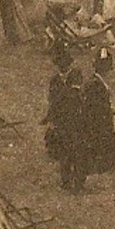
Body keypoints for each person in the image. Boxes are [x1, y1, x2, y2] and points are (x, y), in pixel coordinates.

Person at [44, 63, 86, 192]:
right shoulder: (80, 96)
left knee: (66, 157)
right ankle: (77, 184)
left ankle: (66, 182)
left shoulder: (64, 95)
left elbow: (53, 108)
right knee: (78, 157)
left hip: (63, 130)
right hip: (75, 131)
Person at [79, 52, 115, 178]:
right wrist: (109, 110)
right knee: (100, 139)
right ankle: (102, 164)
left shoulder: (96, 81)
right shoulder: (95, 83)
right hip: (98, 118)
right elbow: (95, 104)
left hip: (102, 116)